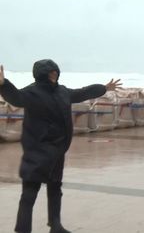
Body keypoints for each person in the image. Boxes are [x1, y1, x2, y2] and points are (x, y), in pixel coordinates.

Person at [0, 59, 122, 233]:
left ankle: (55, 225)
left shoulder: (62, 92)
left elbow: (83, 93)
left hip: (58, 150)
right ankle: (23, 229)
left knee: (55, 188)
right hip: (38, 151)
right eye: (51, 72)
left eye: (55, 71)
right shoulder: (32, 93)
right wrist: (4, 85)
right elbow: (16, 98)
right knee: (29, 192)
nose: (54, 74)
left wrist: (104, 88)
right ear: (44, 74)